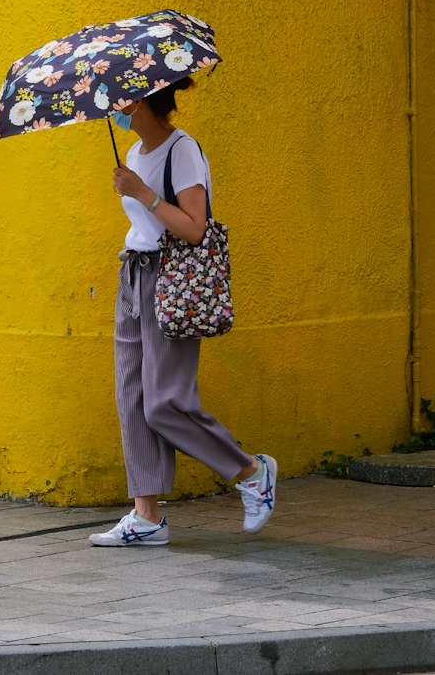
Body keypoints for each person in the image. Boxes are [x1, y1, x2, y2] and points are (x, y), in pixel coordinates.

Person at [88, 76, 276, 547]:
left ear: (145, 101)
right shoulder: (133, 155)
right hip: (132, 274)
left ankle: (251, 470)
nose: (115, 106)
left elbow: (195, 228)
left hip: (171, 281)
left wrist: (143, 193)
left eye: (122, 98)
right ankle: (146, 517)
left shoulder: (182, 150)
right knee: (131, 398)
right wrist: (135, 190)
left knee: (164, 402)